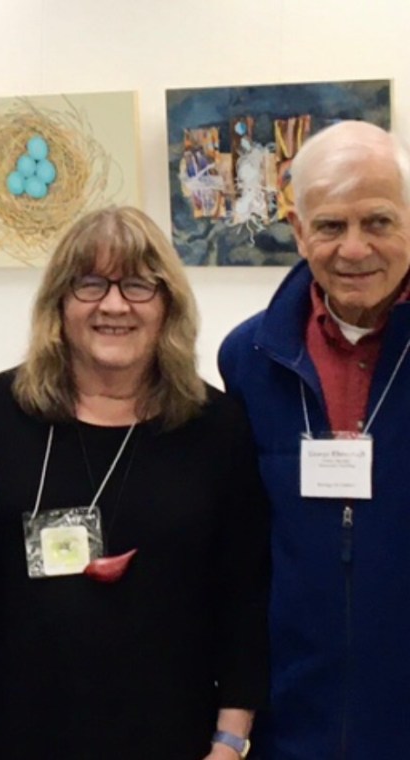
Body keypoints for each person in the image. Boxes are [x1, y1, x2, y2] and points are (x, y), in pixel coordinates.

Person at [0, 206, 270, 760]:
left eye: (138, 285)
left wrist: (231, 738)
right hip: (10, 731)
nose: (114, 304)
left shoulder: (216, 428)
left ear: (168, 304)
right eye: (90, 283)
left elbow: (244, 596)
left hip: (168, 734)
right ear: (59, 302)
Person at [218, 120, 410, 759]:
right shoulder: (247, 358)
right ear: (298, 231)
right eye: (330, 226)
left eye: (378, 221)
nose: (354, 248)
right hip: (292, 724)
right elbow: (243, 552)